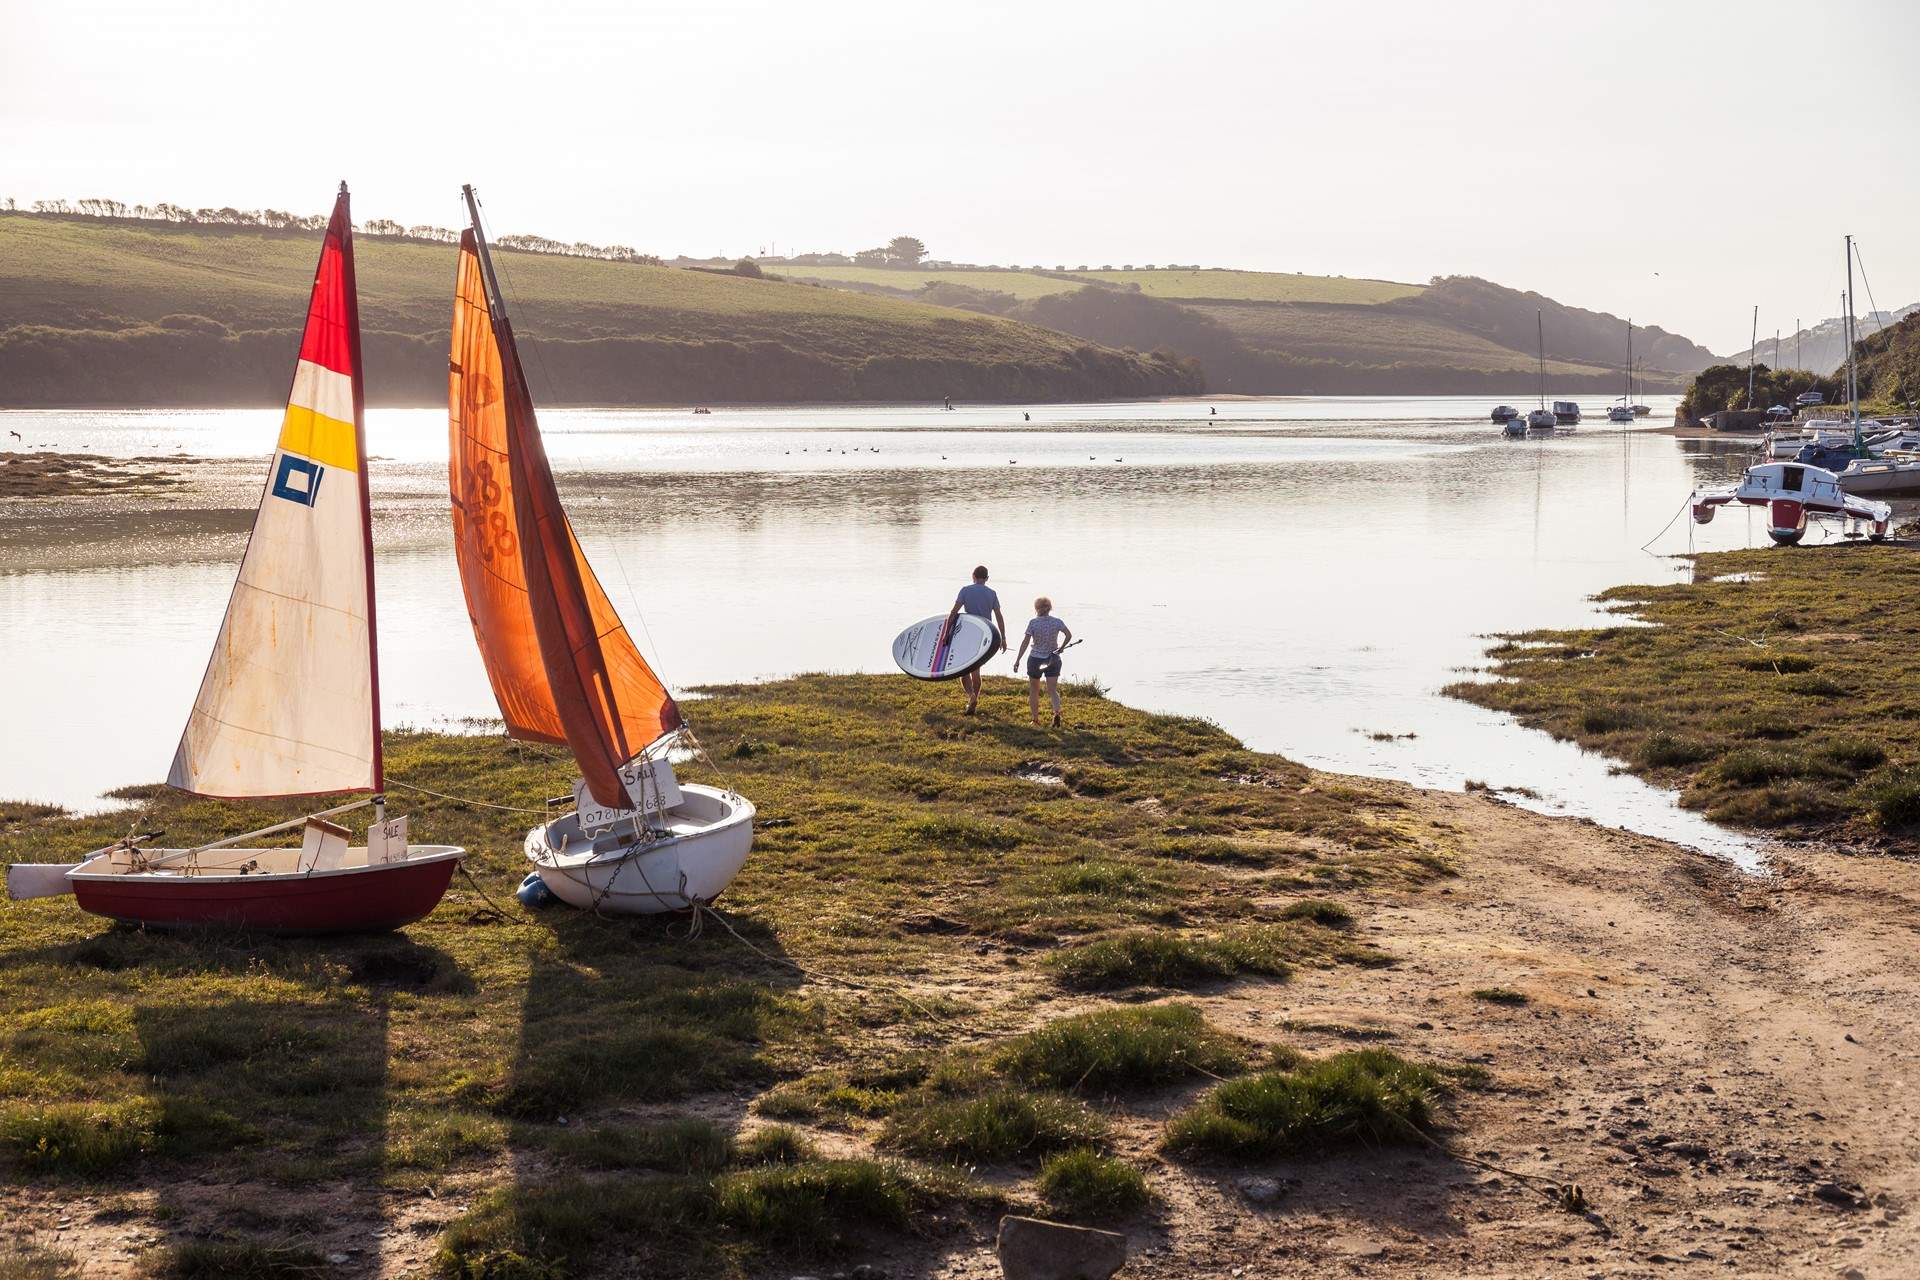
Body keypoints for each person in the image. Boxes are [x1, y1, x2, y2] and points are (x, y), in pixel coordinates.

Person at [947, 565, 1005, 715]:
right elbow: (999, 616)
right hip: (986, 635)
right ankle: (974, 699)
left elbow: (954, 612)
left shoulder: (965, 590)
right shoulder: (992, 593)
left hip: (968, 633)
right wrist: (1003, 638)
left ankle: (971, 697)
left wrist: (946, 634)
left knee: (964, 670)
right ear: (987, 578)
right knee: (976, 671)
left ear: (973, 575)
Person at [1013, 596, 1072, 727]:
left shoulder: (1033, 623)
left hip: (1035, 659)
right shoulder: (1057, 622)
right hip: (1053, 658)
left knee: (1034, 689)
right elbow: (1068, 635)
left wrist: (1018, 660)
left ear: (1036, 609)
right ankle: (1056, 713)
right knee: (1052, 689)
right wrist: (1061, 648)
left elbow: (1025, 642)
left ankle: (1035, 719)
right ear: (1049, 608)